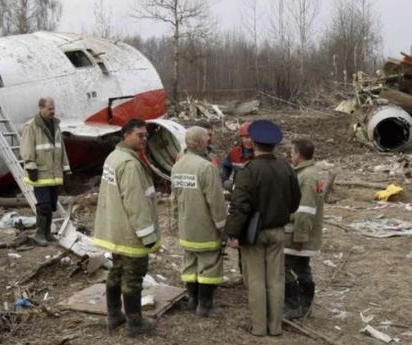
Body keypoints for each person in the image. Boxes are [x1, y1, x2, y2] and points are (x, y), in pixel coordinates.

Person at [225, 120, 301, 336]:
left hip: (253, 233)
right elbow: (295, 202)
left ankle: (259, 328)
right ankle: (275, 327)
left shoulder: (249, 170)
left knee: (256, 281)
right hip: (278, 231)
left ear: (255, 144)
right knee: (276, 280)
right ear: (274, 146)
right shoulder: (286, 168)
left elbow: (239, 205)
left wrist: (232, 234)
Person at [93, 118, 160, 337]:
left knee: (117, 270)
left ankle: (114, 316)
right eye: (139, 135)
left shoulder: (114, 157)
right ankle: (135, 322)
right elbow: (136, 203)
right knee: (133, 275)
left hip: (116, 228)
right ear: (126, 135)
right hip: (131, 232)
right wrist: (147, 234)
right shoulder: (129, 164)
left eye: (146, 136)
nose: (144, 139)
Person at [171, 126, 228, 317]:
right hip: (205, 227)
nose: (208, 143)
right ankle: (205, 306)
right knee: (209, 264)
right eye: (206, 140)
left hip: (187, 225)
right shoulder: (206, 167)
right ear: (198, 143)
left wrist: (176, 220)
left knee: (190, 263)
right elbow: (216, 201)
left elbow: (175, 197)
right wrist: (222, 226)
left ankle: (192, 300)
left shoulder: (177, 165)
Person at [20, 97, 71, 246]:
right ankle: (39, 234)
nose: (52, 111)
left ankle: (47, 233)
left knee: (52, 204)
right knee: (43, 204)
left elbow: (61, 149)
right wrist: (30, 166)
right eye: (49, 109)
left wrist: (66, 170)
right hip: (40, 173)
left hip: (54, 174)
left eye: (53, 108)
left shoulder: (56, 125)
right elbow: (27, 148)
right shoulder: (31, 126)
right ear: (40, 108)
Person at [283, 139, 324, 320]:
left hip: (297, 231)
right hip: (303, 230)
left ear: (298, 155)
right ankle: (305, 303)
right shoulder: (310, 173)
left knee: (282, 268)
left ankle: (293, 305)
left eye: (292, 152)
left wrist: (299, 236)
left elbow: (304, 210)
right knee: (301, 267)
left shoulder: (307, 177)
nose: (290, 155)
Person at [220, 121, 254, 188]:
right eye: (246, 137)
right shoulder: (234, 153)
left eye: (252, 137)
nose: (249, 140)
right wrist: (225, 180)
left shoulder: (261, 154)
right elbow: (226, 167)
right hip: (239, 190)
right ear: (241, 138)